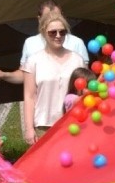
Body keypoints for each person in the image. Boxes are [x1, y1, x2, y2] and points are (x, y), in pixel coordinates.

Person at [22, 10, 86, 144]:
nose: (58, 36)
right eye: (53, 32)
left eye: (62, 32)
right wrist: (29, 128)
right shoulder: (33, 61)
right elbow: (29, 96)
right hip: (43, 125)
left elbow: (84, 93)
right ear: (44, 33)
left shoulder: (78, 60)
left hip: (72, 124)